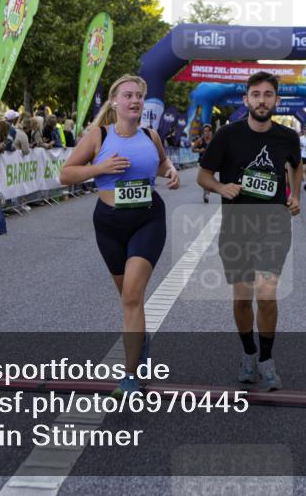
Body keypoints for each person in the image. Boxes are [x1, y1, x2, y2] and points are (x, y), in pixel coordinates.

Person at [59, 74, 180, 397]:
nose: (135, 100)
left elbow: (161, 164)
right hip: (109, 223)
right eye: (128, 95)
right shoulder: (98, 136)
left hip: (147, 219)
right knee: (128, 298)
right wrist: (99, 169)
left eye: (139, 95)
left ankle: (130, 377)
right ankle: (140, 339)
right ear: (114, 102)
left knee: (131, 295)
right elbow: (66, 174)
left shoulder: (151, 135)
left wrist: (170, 172)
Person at [197, 71, 301, 391]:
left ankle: (267, 361)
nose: (261, 100)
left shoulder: (288, 138)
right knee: (242, 299)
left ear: (276, 101)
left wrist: (294, 195)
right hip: (237, 227)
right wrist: (220, 187)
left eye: (268, 94)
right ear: (246, 100)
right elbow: (203, 175)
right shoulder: (228, 135)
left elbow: (295, 167)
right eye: (255, 94)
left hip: (273, 225)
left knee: (266, 295)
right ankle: (248, 353)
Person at [192, 124, 213, 203]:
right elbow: (192, 149)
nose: (206, 133)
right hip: (201, 162)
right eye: (205, 131)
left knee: (209, 179)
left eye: (208, 131)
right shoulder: (200, 141)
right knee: (202, 179)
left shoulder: (213, 140)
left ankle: (207, 194)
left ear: (210, 132)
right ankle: (205, 191)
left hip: (211, 162)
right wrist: (199, 151)